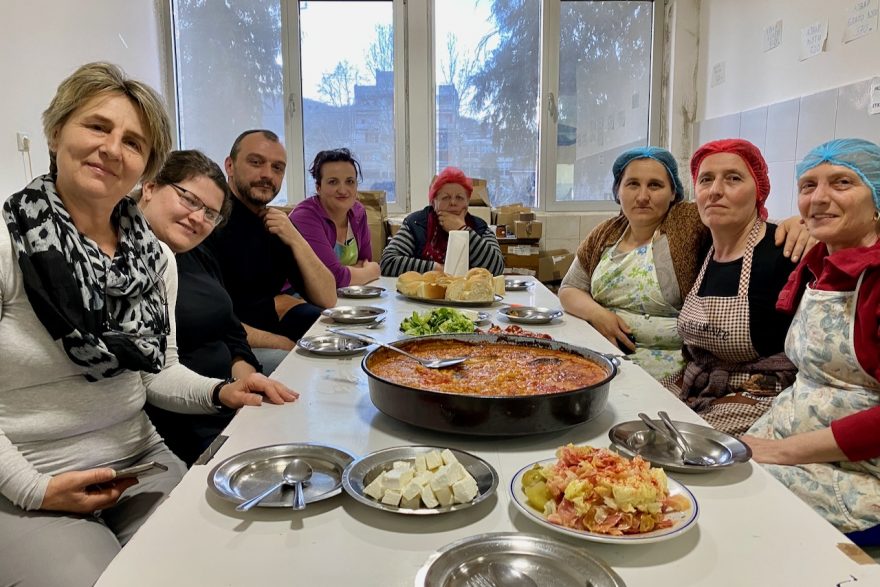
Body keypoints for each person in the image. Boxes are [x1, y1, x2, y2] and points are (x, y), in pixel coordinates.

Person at [0, 63, 296, 587]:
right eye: (97, 126)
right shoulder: (8, 243)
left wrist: (221, 392)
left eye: (133, 142)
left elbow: (158, 373)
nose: (112, 149)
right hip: (33, 477)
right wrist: (32, 489)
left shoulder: (153, 258)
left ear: (145, 166)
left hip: (139, 461)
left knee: (227, 568)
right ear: (56, 131)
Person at [560, 146, 812, 382]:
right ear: (617, 191)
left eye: (655, 185)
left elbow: (741, 221)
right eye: (632, 184)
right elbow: (570, 288)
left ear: (674, 193)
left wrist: (796, 225)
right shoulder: (606, 232)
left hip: (668, 372)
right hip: (601, 357)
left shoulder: (687, 221)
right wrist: (598, 314)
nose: (643, 196)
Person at [743, 139, 880, 542]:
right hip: (787, 437)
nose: (818, 198)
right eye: (808, 186)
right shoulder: (817, 264)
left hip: (857, 471)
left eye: (842, 182)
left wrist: (782, 452)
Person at [138, 150, 297, 466]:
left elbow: (231, 329)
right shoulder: (134, 264)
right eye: (189, 199)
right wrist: (226, 395)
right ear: (150, 187)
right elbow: (156, 379)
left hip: (224, 395)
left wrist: (244, 385)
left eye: (210, 214)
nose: (198, 218)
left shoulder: (195, 252)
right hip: (186, 415)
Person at [668, 138, 799, 436]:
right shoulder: (699, 246)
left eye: (733, 179)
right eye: (706, 180)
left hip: (760, 391)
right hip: (700, 380)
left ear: (759, 191)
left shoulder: (785, 248)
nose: (715, 190)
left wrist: (808, 226)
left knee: (686, 446)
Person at [207, 130, 337, 372]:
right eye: (256, 162)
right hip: (224, 342)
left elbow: (328, 298)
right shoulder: (209, 221)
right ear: (230, 166)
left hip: (267, 328)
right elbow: (211, 320)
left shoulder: (274, 224)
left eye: (277, 168)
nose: (267, 174)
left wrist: (295, 238)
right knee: (299, 366)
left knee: (334, 331)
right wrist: (281, 343)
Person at [380, 166, 504, 277]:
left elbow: (497, 268)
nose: (453, 203)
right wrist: (438, 269)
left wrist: (461, 229)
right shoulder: (416, 224)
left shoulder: (479, 227)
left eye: (460, 198)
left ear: (467, 202)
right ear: (434, 202)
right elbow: (388, 262)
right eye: (445, 198)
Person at [290, 148, 380, 287]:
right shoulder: (304, 217)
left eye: (349, 181)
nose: (343, 190)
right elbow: (332, 277)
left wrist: (347, 274)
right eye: (333, 182)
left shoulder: (358, 212)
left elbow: (364, 262)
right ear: (318, 187)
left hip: (345, 294)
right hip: (298, 296)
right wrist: (372, 271)